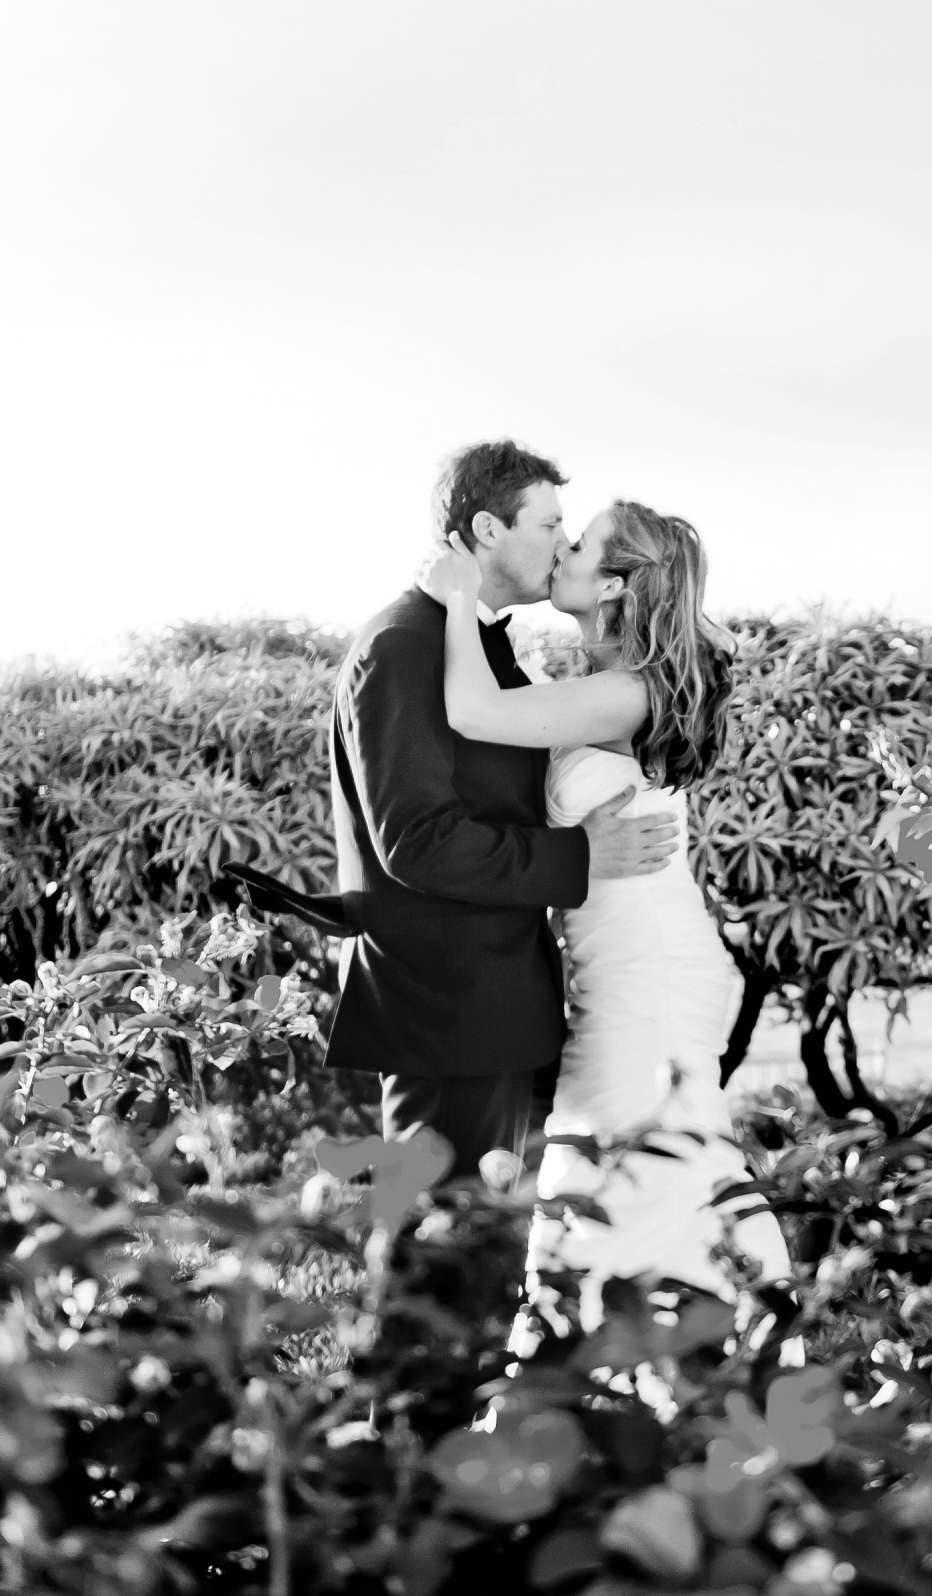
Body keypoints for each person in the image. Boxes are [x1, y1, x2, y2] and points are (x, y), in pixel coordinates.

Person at [414, 498, 797, 1349]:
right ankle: (717, 1356)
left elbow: (474, 714)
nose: (562, 550)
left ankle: (664, 1358)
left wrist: (452, 598)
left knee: (617, 1170)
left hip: (645, 977)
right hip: (634, 963)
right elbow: (713, 637)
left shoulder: (622, 693)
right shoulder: (619, 679)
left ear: (617, 584)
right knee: (643, 1170)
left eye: (579, 543)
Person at [319, 439, 679, 1210]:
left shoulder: (470, 644)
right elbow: (416, 842)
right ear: (488, 530)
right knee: (434, 1247)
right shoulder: (405, 648)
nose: (562, 544)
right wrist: (578, 856)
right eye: (550, 525)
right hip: (450, 1009)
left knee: (474, 1255)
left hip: (494, 1002)